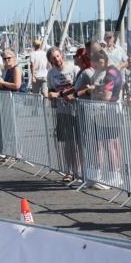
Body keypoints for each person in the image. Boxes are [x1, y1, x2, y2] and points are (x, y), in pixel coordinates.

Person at [86, 49, 125, 188]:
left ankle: (114, 175)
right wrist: (98, 87)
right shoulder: (114, 70)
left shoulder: (109, 74)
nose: (97, 66)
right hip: (114, 109)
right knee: (112, 143)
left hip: (107, 111)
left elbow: (107, 96)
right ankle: (114, 174)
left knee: (108, 144)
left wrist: (94, 89)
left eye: (98, 63)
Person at [46, 47, 80, 182]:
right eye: (53, 58)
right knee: (67, 143)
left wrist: (60, 93)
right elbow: (50, 90)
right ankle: (69, 171)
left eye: (58, 56)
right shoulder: (51, 73)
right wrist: (50, 95)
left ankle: (79, 170)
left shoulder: (73, 69)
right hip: (62, 111)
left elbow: (77, 86)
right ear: (50, 60)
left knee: (78, 142)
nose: (57, 59)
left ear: (62, 55)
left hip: (76, 110)